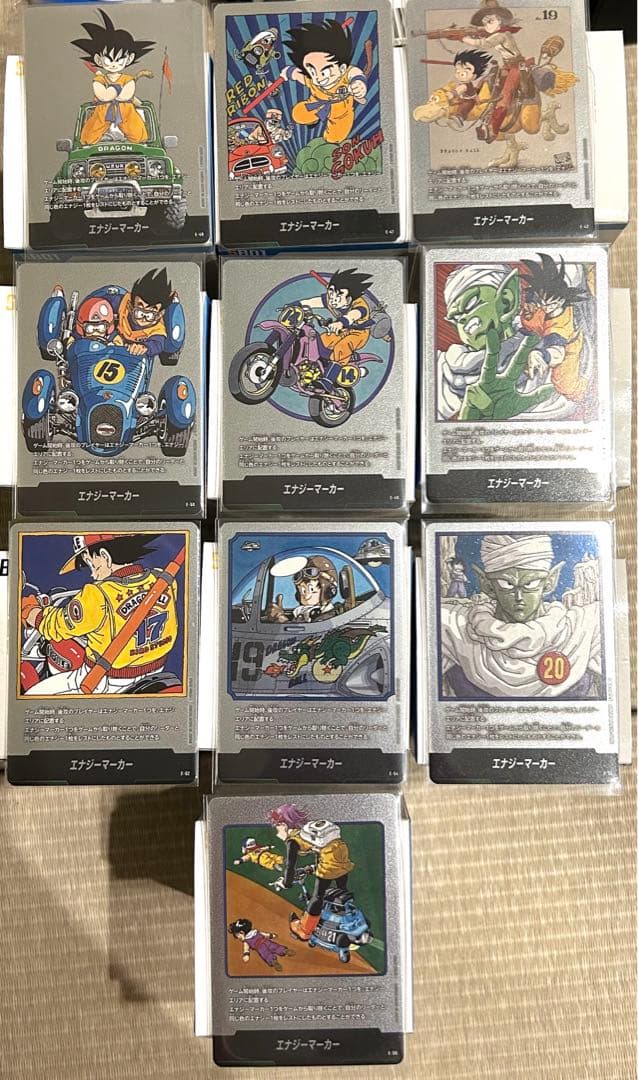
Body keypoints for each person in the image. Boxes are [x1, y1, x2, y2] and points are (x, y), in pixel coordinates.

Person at [441, 533, 602, 699]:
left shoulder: (583, 630)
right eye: (507, 584)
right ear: (487, 585)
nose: (519, 596)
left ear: (550, 582)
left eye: (530, 584)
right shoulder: (454, 630)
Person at [21, 533, 179, 695]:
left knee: (32, 696)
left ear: (105, 556)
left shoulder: (97, 594)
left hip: (104, 681)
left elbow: (55, 626)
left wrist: (31, 611)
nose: (92, 573)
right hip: (156, 669)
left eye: (90, 562)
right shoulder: (163, 580)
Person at [269, 804, 354, 942]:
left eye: (277, 825)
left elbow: (290, 866)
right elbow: (321, 850)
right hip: (341, 853)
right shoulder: (308, 831)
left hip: (330, 862)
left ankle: (304, 931)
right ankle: (344, 919)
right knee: (341, 890)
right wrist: (311, 868)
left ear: (283, 825)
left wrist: (286, 883)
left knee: (317, 897)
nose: (276, 829)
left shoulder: (293, 841)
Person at [72, 9, 155, 145]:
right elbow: (103, 96)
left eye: (119, 59)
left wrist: (115, 91)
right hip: (102, 113)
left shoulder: (127, 80)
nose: (114, 64)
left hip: (127, 113)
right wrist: (116, 89)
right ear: (98, 60)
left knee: (139, 136)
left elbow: (125, 96)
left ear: (129, 59)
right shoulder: (100, 80)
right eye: (109, 59)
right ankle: (101, 138)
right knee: (88, 138)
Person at [282, 20, 367, 144]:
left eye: (324, 71)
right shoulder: (312, 80)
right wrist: (289, 72)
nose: (318, 77)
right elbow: (298, 74)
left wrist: (359, 83)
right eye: (312, 71)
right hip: (315, 105)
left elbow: (354, 72)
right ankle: (314, 120)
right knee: (297, 115)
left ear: (342, 68)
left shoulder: (344, 74)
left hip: (341, 113)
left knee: (333, 138)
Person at [265, 555, 339, 623]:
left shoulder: (328, 617)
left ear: (328, 592)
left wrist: (281, 618)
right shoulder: (303, 612)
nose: (306, 596)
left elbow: (308, 631)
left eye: (312, 590)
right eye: (302, 591)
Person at [228, 919, 292, 971]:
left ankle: (283, 952)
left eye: (238, 936)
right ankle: (277, 960)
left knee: (268, 953)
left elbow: (246, 949)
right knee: (273, 949)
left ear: (242, 932)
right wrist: (271, 935)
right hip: (265, 943)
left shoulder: (248, 939)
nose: (238, 938)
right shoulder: (254, 934)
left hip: (261, 947)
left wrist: (271, 935)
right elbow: (265, 935)